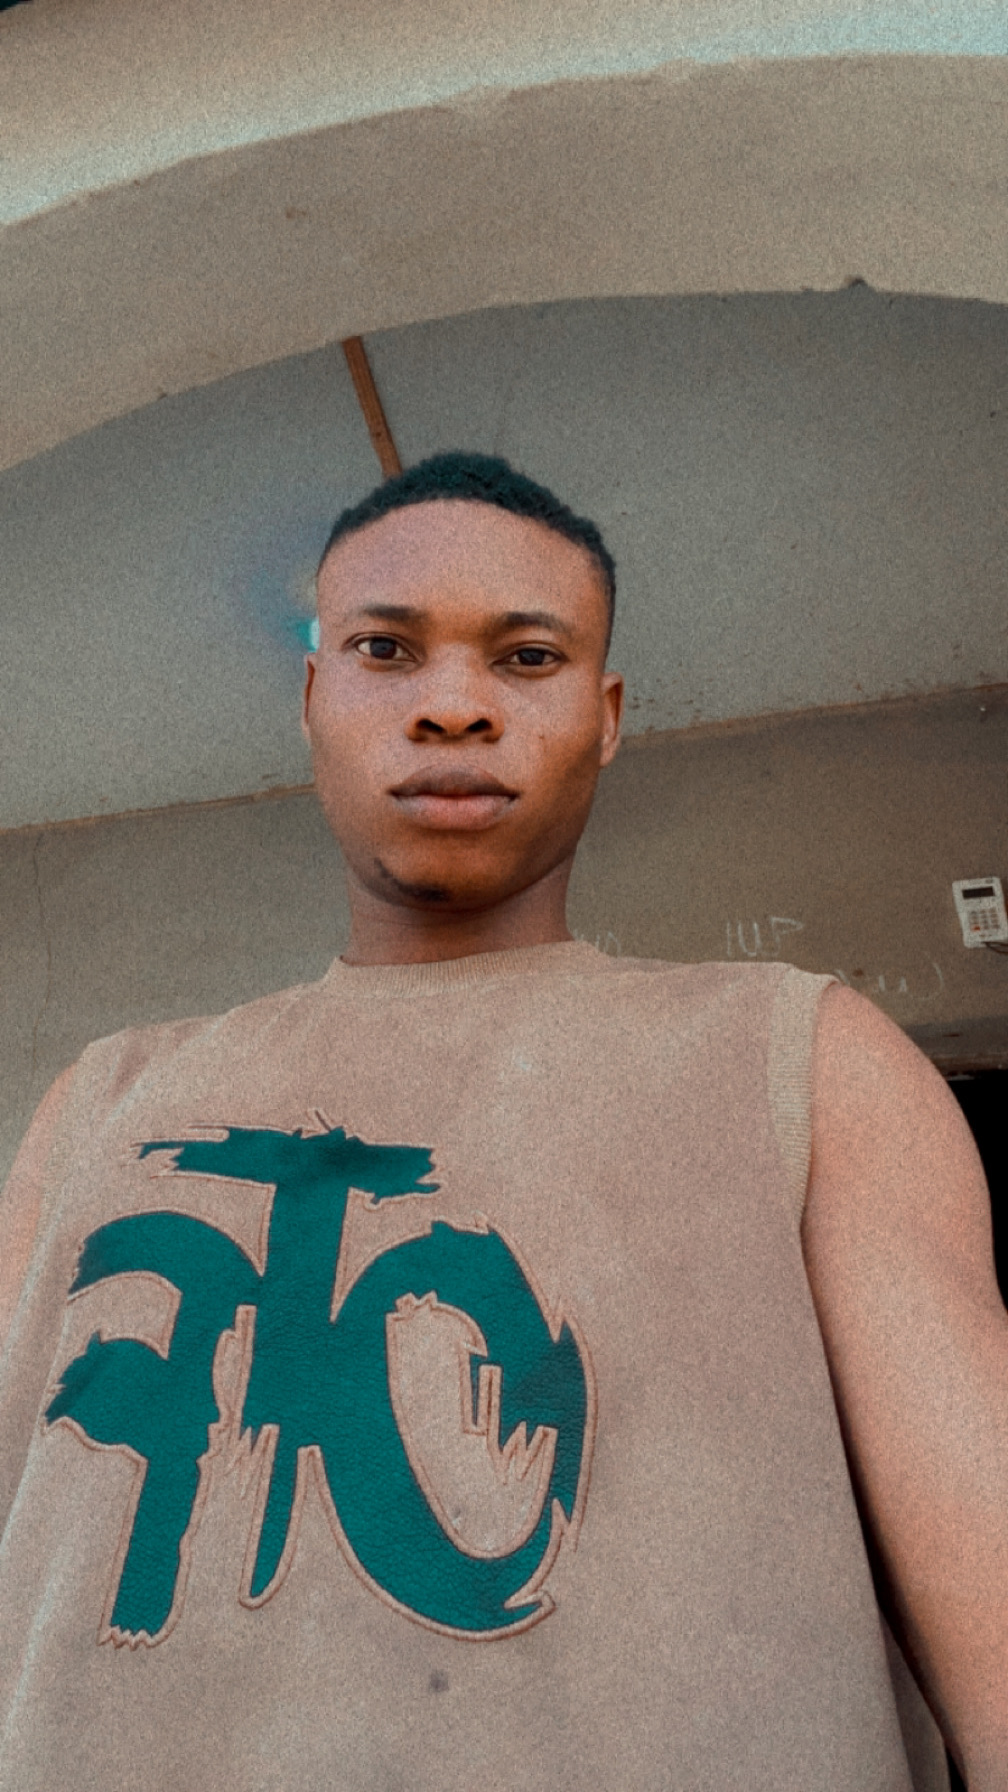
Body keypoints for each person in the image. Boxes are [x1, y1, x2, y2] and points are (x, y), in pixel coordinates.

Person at [0, 451, 1004, 1791]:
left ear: (607, 715)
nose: (455, 706)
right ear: (315, 697)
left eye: (527, 658)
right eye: (386, 650)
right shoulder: (99, 1103)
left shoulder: (803, 1058)